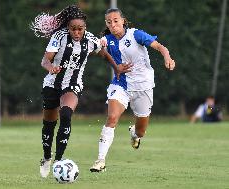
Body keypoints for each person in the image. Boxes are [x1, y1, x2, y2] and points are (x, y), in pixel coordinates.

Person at [30, 5, 132, 178]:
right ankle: (47, 157)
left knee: (67, 114)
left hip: (72, 85)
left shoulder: (91, 40)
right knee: (49, 123)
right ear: (68, 28)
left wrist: (117, 68)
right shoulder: (59, 37)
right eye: (73, 29)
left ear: (85, 28)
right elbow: (45, 60)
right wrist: (51, 67)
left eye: (80, 29)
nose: (77, 33)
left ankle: (59, 161)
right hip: (52, 84)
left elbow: (104, 53)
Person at [90, 8, 176, 172]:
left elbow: (159, 46)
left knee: (141, 131)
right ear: (106, 24)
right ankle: (100, 161)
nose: (113, 24)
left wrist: (167, 57)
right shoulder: (106, 40)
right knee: (112, 117)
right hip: (121, 84)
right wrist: (96, 47)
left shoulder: (136, 35)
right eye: (109, 22)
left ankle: (134, 135)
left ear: (123, 20)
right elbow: (96, 48)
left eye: (116, 20)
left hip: (143, 86)